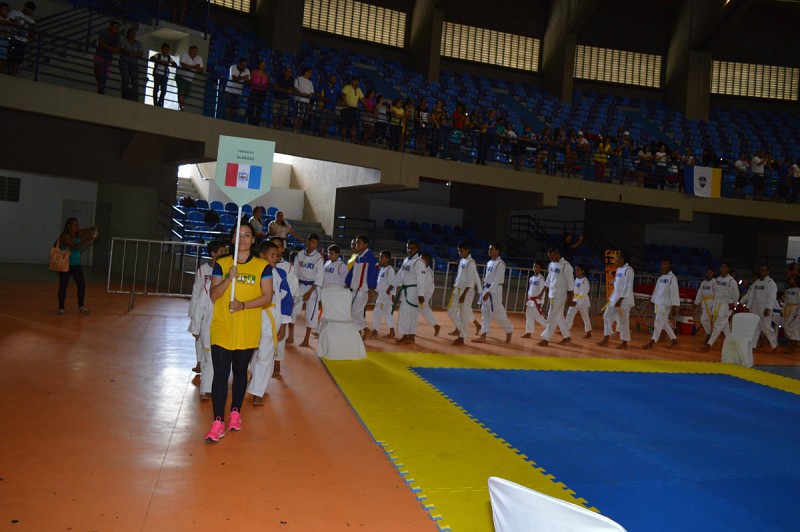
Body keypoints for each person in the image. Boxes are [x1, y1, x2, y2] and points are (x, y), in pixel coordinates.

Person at [204, 223, 273, 442]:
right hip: (223, 327)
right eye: (238, 235)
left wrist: (243, 305)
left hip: (247, 328)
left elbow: (267, 297)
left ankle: (235, 412)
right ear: (232, 239)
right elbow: (213, 295)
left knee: (240, 372)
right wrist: (228, 279)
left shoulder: (262, 266)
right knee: (220, 375)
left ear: (253, 240)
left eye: (247, 235)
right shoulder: (222, 263)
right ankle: (217, 422)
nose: (242, 239)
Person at [247, 240, 292, 406]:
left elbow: (286, 301)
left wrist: (284, 324)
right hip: (251, 315)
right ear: (262, 255)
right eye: (272, 255)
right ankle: (254, 377)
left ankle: (257, 391)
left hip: (272, 317)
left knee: (265, 356)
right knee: (251, 353)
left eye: (277, 255)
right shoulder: (251, 271)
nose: (276, 258)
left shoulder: (280, 274)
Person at [188, 240, 227, 400]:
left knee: (221, 360)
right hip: (208, 326)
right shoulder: (207, 283)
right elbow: (199, 305)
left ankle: (216, 385)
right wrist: (195, 326)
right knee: (208, 359)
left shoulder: (232, 285)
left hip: (225, 327)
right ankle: (206, 389)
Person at [473, 243, 513, 344]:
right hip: (486, 288)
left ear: (497, 251)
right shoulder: (489, 262)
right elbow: (488, 278)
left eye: (492, 249)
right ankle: (483, 335)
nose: (489, 251)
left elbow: (496, 280)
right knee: (485, 313)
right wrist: (484, 291)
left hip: (495, 291)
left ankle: (509, 330)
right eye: (489, 249)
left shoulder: (500, 264)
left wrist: (489, 292)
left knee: (497, 314)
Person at [57, 218, 98, 315]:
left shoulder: (77, 233)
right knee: (63, 285)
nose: (77, 227)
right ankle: (61, 308)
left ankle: (81, 306)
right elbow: (75, 246)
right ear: (68, 226)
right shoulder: (64, 236)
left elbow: (87, 230)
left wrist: (93, 229)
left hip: (76, 264)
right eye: (74, 225)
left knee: (81, 284)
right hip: (65, 264)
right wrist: (89, 240)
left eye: (77, 224)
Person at [446, 242, 482, 345]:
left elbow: (471, 281)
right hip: (457, 289)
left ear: (467, 250)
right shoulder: (462, 260)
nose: (459, 253)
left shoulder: (471, 263)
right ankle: (461, 331)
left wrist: (464, 294)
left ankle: (461, 338)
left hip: (466, 291)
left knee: (463, 315)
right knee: (450, 311)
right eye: (458, 251)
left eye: (461, 251)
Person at [269, 236, 296, 373]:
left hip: (280, 309)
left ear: (283, 249)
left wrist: (285, 317)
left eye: (278, 246)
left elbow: (291, 292)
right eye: (272, 245)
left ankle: (277, 363)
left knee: (279, 340)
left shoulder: (288, 268)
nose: (275, 249)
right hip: (263, 310)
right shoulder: (261, 264)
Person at [538, 247, 574, 347]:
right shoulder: (551, 264)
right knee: (559, 316)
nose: (551, 259)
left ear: (557, 254)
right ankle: (567, 337)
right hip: (552, 295)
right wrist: (542, 292)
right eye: (549, 257)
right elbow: (549, 280)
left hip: (560, 296)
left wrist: (570, 298)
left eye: (552, 256)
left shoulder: (566, 266)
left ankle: (546, 339)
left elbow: (570, 283)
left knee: (552, 316)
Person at [598, 251, 634, 349]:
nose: (616, 259)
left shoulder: (629, 270)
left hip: (624, 300)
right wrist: (611, 299)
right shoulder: (618, 269)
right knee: (606, 316)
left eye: (618, 257)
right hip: (615, 298)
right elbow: (616, 286)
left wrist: (620, 300)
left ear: (623, 259)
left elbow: (627, 286)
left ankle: (624, 343)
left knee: (623, 321)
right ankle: (606, 338)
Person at [700, 261, 739, 352]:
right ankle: (732, 344)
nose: (722, 269)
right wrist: (714, 307)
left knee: (718, 325)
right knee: (725, 327)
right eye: (721, 267)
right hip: (717, 305)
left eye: (724, 267)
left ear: (728, 269)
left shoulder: (731, 281)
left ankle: (709, 344)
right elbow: (716, 294)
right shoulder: (717, 279)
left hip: (725, 305)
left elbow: (736, 295)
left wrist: (733, 305)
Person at [293, 233, 324, 348]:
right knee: (293, 311)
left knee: (311, 314)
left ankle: (306, 340)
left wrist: (309, 292)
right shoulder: (300, 255)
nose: (314, 245)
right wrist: (295, 287)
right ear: (307, 242)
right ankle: (290, 335)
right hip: (300, 285)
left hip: (313, 288)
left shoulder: (318, 258)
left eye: (316, 244)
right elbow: (295, 272)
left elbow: (319, 277)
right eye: (312, 243)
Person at [345, 235, 378, 339]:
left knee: (355, 312)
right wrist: (348, 282)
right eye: (356, 243)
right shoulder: (358, 257)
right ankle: (361, 332)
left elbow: (372, 273)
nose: (356, 245)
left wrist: (371, 288)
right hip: (355, 288)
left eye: (359, 243)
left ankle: (366, 330)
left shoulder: (370, 257)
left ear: (366, 245)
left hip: (363, 289)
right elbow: (352, 272)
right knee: (353, 312)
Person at [642, 259, 680, 349]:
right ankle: (674, 340)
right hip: (658, 303)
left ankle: (652, 342)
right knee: (664, 323)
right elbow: (656, 291)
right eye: (663, 264)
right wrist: (651, 302)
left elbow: (674, 293)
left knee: (658, 322)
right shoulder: (661, 278)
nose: (664, 266)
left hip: (666, 304)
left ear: (670, 266)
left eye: (667, 264)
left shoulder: (672, 278)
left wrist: (675, 306)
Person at [395, 240, 425, 345]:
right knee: (411, 314)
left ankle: (406, 336)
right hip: (406, 290)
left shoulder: (419, 262)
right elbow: (400, 274)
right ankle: (410, 337)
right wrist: (395, 286)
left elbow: (421, 279)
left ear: (417, 249)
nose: (409, 250)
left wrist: (421, 294)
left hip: (413, 291)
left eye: (412, 248)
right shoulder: (406, 260)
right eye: (408, 247)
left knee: (405, 313)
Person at [747, 265, 778, 353]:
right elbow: (751, 295)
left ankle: (774, 345)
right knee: (755, 327)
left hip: (765, 308)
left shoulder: (770, 283)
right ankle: (752, 345)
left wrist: (768, 308)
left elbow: (772, 297)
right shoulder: (756, 282)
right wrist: (748, 306)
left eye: (764, 270)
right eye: (761, 270)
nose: (762, 272)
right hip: (755, 308)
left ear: (768, 272)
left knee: (766, 327)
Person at [370, 250, 396, 338]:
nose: (380, 259)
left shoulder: (389, 270)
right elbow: (380, 283)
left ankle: (375, 330)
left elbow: (393, 283)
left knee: (377, 312)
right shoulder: (382, 269)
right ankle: (392, 332)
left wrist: (392, 294)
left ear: (387, 259)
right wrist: (375, 291)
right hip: (381, 295)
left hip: (385, 296)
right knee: (388, 314)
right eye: (380, 257)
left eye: (382, 257)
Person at [7, 1, 36, 77]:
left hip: (22, 41)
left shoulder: (31, 20)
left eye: (31, 10)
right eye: (28, 9)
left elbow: (32, 34)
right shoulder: (15, 13)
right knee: (8, 57)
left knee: (17, 61)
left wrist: (32, 29)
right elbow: (8, 22)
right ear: (25, 7)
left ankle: (13, 76)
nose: (29, 11)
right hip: (13, 37)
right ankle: (6, 74)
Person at [521, 259, 547, 339]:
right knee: (529, 316)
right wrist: (527, 300)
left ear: (540, 268)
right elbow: (529, 291)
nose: (535, 268)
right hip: (530, 300)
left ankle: (549, 327)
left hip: (537, 301)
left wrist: (540, 303)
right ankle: (528, 332)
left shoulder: (541, 279)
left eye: (537, 267)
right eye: (534, 266)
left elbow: (542, 292)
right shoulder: (531, 278)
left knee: (538, 317)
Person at [566, 263, 592, 338]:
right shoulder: (576, 279)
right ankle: (566, 330)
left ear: (582, 271)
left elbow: (583, 293)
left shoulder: (585, 281)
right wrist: (572, 299)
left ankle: (589, 332)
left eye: (578, 270)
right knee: (569, 314)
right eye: (575, 270)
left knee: (585, 317)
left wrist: (576, 301)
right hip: (575, 300)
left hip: (583, 302)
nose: (576, 271)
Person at [93, 21, 119, 95]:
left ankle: (101, 90)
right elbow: (101, 44)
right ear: (110, 26)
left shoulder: (117, 37)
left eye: (117, 28)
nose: (116, 29)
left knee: (103, 75)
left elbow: (117, 49)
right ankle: (100, 89)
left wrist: (106, 46)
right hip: (99, 55)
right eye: (115, 27)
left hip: (107, 58)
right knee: (97, 73)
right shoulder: (104, 33)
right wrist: (111, 48)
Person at [418, 252, 441, 336]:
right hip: (421, 293)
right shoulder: (423, 270)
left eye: (422, 259)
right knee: (418, 310)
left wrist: (422, 295)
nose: (420, 260)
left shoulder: (427, 271)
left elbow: (426, 285)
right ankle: (412, 330)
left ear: (427, 261)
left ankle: (435, 325)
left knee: (424, 310)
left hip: (424, 294)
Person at [118, 27, 143, 102]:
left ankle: (135, 98)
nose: (133, 35)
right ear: (128, 34)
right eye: (131, 33)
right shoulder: (124, 41)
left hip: (133, 64)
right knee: (125, 79)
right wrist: (131, 53)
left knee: (134, 80)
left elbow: (140, 54)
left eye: (134, 33)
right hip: (124, 62)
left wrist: (130, 53)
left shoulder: (138, 43)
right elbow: (122, 49)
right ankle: (124, 96)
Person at [176, 45, 204, 111]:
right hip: (180, 76)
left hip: (189, 79)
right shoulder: (184, 55)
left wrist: (192, 67)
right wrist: (194, 67)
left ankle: (182, 106)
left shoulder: (198, 58)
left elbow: (202, 69)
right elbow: (183, 65)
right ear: (189, 51)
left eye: (196, 52)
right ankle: (181, 107)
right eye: (193, 51)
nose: (195, 53)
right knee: (181, 91)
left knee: (186, 93)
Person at [150, 43, 176, 107]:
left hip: (165, 75)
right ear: (162, 49)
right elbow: (151, 58)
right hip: (158, 73)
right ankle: (155, 103)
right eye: (165, 49)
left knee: (163, 90)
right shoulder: (158, 55)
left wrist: (169, 63)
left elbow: (175, 64)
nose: (166, 51)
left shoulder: (169, 57)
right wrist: (160, 61)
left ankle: (160, 102)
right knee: (156, 88)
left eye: (167, 50)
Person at [693, 267, 716, 339]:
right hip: (704, 303)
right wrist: (696, 302)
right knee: (704, 319)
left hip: (712, 303)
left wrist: (715, 306)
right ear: (705, 273)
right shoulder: (703, 283)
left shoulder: (715, 282)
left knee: (711, 320)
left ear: (713, 273)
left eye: (710, 272)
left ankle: (711, 335)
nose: (709, 274)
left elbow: (717, 295)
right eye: (707, 272)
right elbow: (699, 293)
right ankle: (708, 334)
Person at [340, 77, 364, 143]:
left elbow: (362, 99)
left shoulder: (359, 89)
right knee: (344, 124)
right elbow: (343, 95)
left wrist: (367, 107)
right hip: (347, 108)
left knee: (354, 125)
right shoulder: (347, 87)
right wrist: (346, 103)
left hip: (354, 109)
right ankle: (343, 139)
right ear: (352, 81)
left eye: (357, 81)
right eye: (355, 81)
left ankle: (352, 140)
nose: (356, 82)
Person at [317, 73, 339, 137]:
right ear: (329, 78)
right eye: (333, 78)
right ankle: (320, 133)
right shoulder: (323, 85)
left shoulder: (335, 89)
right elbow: (318, 94)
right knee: (322, 121)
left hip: (332, 107)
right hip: (324, 106)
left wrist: (338, 101)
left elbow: (337, 98)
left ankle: (324, 133)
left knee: (328, 122)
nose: (334, 80)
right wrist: (323, 99)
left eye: (335, 79)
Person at [293, 66, 314, 133]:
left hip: (306, 100)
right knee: (298, 115)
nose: (310, 74)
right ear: (305, 72)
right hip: (299, 99)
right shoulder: (298, 79)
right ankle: (295, 128)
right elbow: (295, 88)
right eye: (309, 72)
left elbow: (312, 92)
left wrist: (309, 95)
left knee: (302, 116)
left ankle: (298, 128)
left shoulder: (310, 82)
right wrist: (301, 93)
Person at [783, 274, 799, 353]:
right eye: (790, 279)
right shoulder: (788, 290)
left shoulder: (798, 290)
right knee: (786, 326)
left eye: (792, 279)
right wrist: (783, 310)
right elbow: (785, 301)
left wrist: (798, 313)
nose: (790, 281)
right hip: (788, 309)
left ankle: (792, 347)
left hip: (795, 309)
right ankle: (791, 344)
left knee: (794, 328)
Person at [0, 3, 16, 75]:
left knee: (3, 61)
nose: (5, 12)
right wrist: (8, 22)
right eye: (3, 9)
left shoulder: (9, 20)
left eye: (6, 10)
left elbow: (16, 24)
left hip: (5, 42)